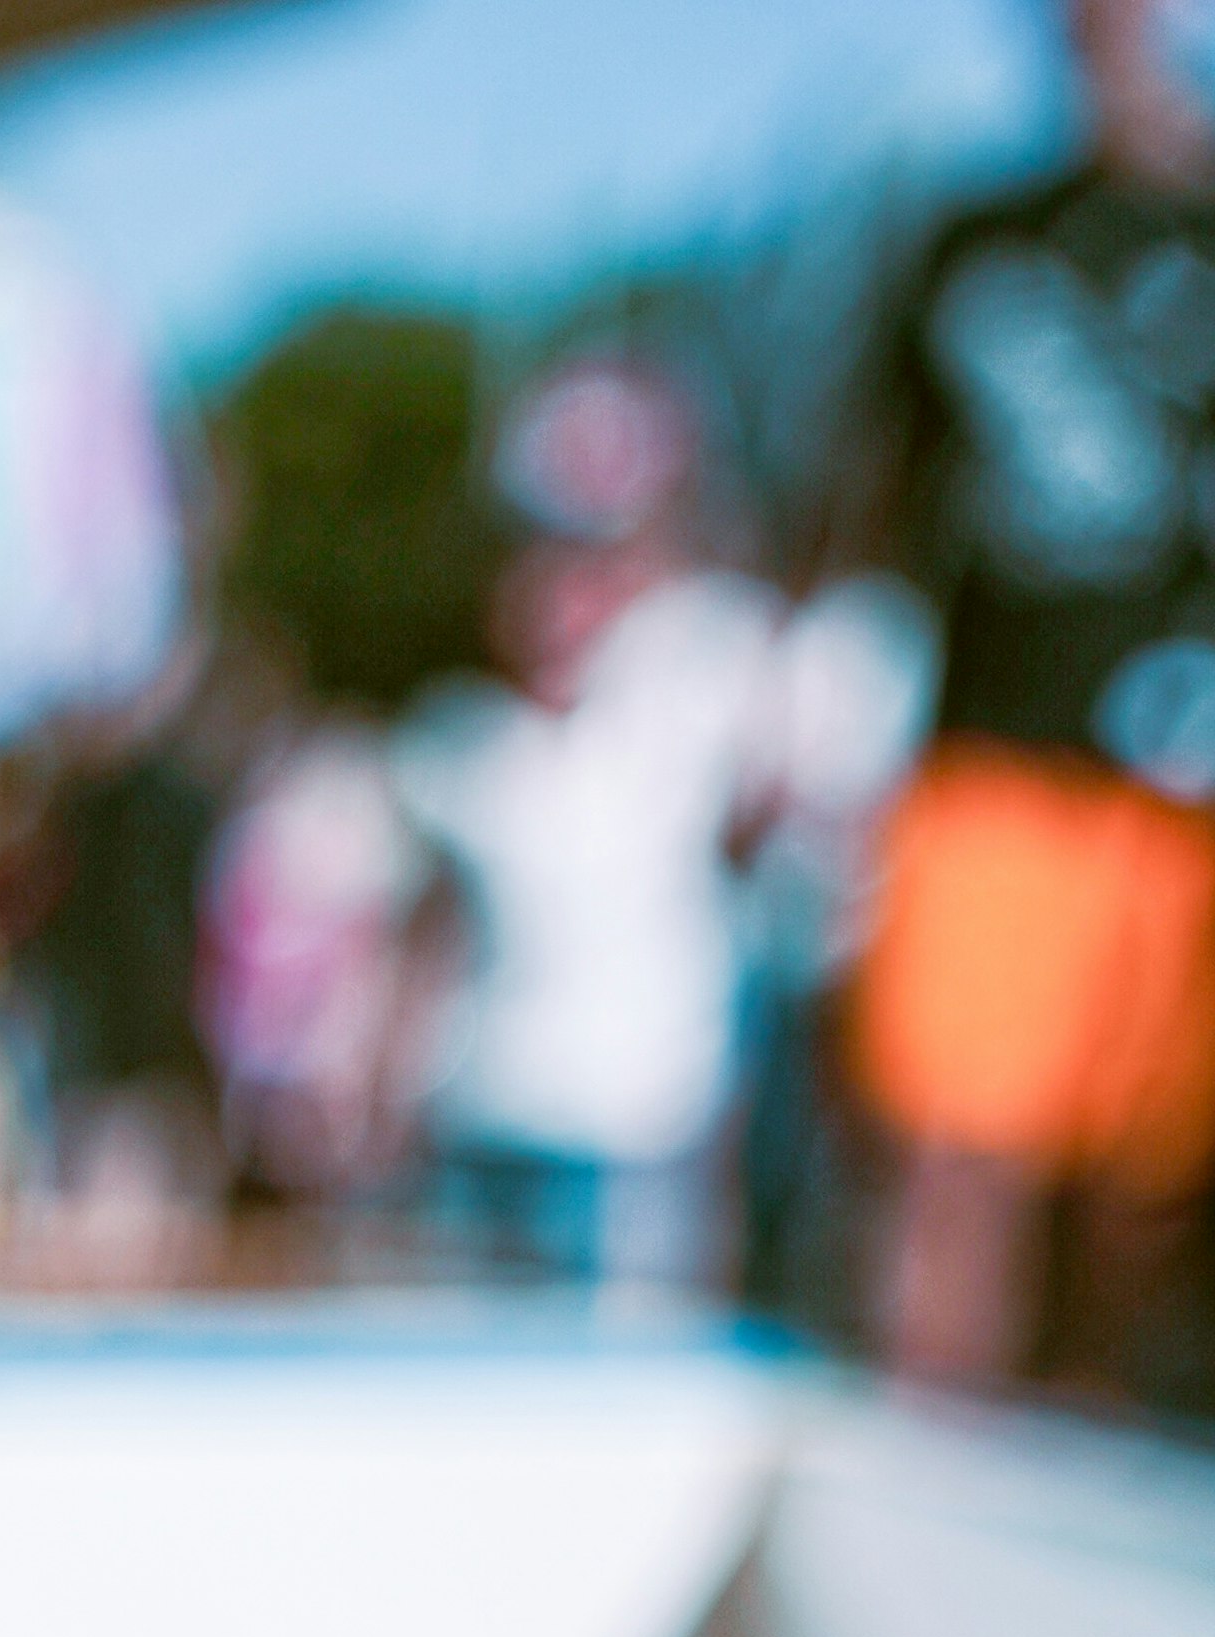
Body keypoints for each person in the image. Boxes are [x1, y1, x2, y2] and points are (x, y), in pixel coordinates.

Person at [851, 0, 1215, 1388]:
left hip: (1181, 786)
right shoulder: (973, 243)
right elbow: (876, 493)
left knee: (1143, 1187)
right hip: (993, 758)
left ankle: (1086, 1456)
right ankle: (939, 1462)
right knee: (958, 1142)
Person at [386, 357, 788, 1298]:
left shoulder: (702, 681)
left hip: (636, 1134)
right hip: (480, 1119)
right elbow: (432, 938)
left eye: (600, 563)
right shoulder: (462, 743)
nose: (568, 598)